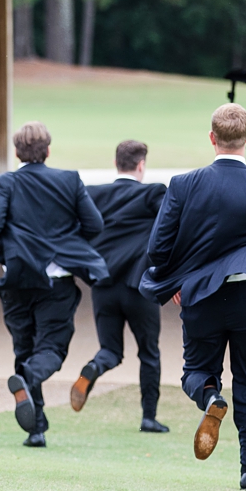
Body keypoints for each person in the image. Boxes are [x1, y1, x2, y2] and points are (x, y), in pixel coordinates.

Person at [139, 102, 246, 491]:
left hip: (200, 297)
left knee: (195, 372)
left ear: (212, 138)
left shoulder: (183, 185)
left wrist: (174, 281)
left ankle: (210, 398)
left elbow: (157, 251)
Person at [0, 122, 107, 447]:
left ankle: (36, 430)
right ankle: (28, 381)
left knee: (24, 348)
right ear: (48, 151)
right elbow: (95, 224)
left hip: (17, 280)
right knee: (50, 349)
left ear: (17, 153)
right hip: (56, 281)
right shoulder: (69, 180)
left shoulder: (3, 183)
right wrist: (65, 241)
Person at [71, 140, 167, 432]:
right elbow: (170, 228)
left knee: (111, 350)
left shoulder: (93, 194)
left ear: (116, 163)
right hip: (139, 287)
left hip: (104, 287)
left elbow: (73, 236)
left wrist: (89, 276)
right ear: (141, 165)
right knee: (149, 353)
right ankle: (148, 417)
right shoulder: (154, 193)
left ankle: (94, 368)